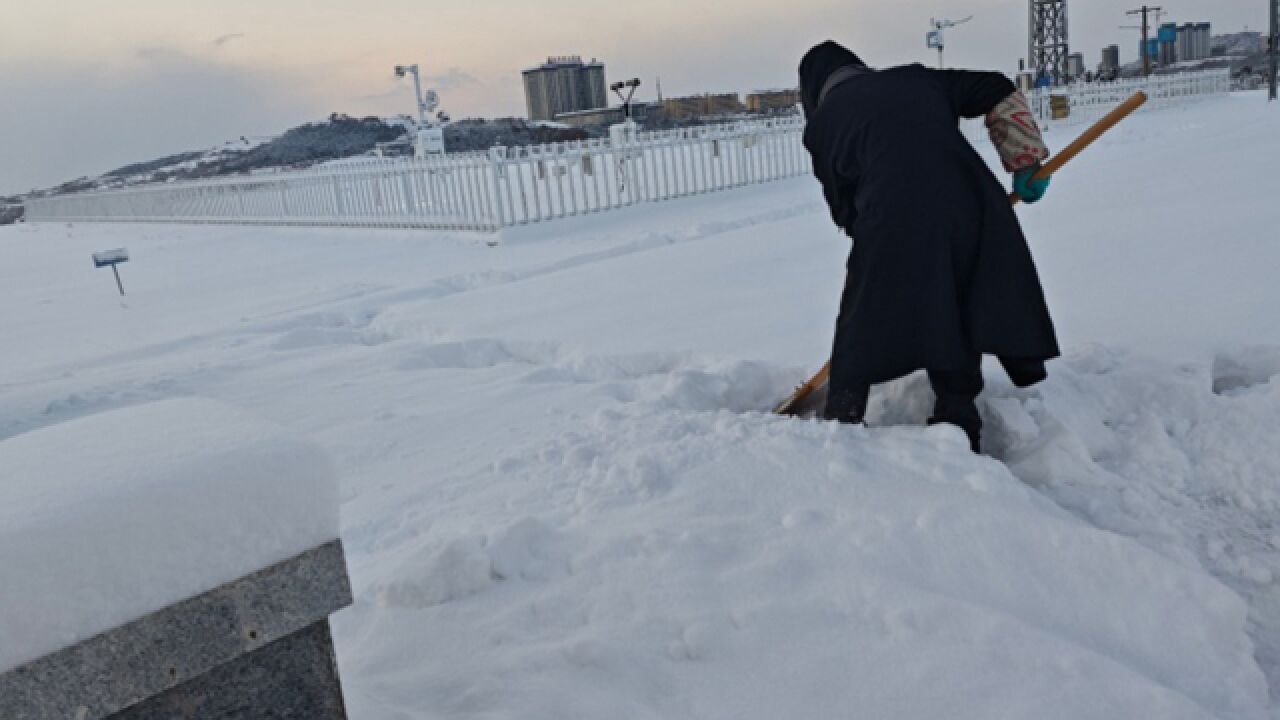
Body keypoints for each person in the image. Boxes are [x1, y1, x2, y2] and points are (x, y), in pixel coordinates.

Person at [798, 40, 1060, 453]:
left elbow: (844, 209)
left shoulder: (823, 126)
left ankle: (843, 419)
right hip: (973, 205)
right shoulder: (917, 77)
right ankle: (958, 420)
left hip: (888, 217)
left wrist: (893, 247)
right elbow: (997, 88)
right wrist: (1024, 157)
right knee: (960, 301)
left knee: (859, 318)